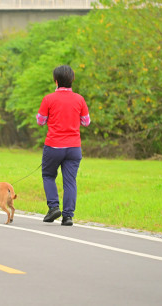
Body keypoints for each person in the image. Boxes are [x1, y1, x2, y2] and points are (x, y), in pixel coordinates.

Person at [37, 65, 90, 227]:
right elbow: (86, 122)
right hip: (74, 147)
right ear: (72, 79)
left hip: (53, 146)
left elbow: (40, 121)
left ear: (56, 81)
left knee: (48, 175)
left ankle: (53, 207)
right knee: (70, 181)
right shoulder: (79, 99)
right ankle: (68, 217)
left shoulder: (48, 99)